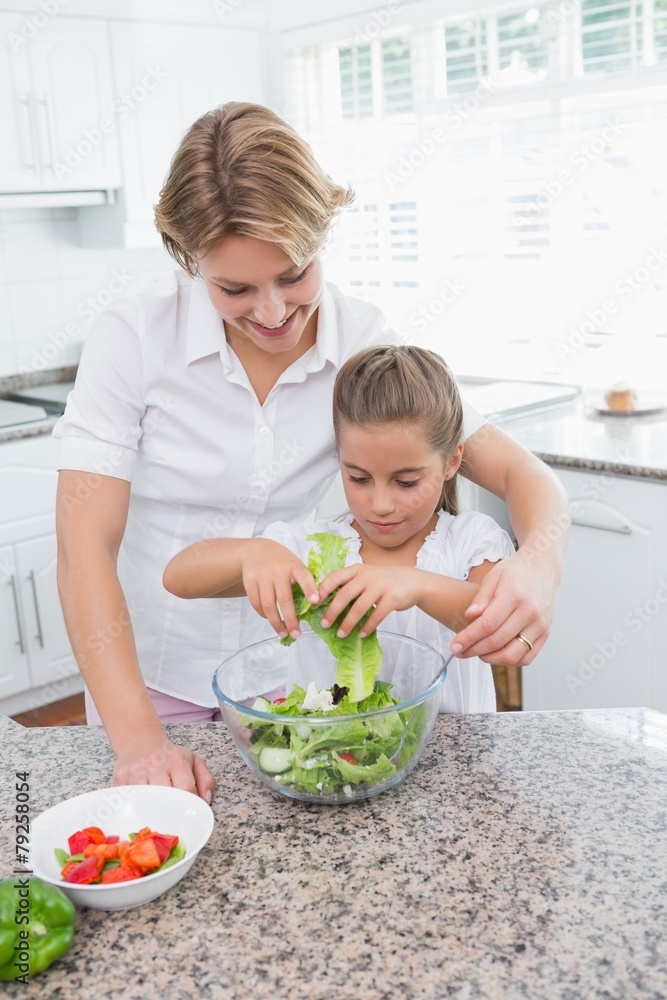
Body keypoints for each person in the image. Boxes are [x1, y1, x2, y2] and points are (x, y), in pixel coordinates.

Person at [54, 102, 568, 802]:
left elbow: (517, 470)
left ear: (321, 233)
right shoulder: (134, 338)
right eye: (234, 288)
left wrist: (538, 565)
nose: (271, 313)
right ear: (188, 258)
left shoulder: (361, 339)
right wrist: (140, 739)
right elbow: (82, 546)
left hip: (291, 680)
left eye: (293, 274)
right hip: (148, 681)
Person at [163, 346, 517, 713]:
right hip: (332, 750)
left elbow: (499, 624)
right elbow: (177, 578)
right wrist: (251, 552)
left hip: (456, 749)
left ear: (452, 461)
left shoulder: (472, 541)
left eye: (406, 482)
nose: (380, 504)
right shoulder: (315, 551)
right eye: (359, 478)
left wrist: (418, 585)